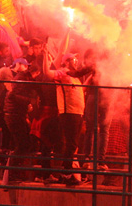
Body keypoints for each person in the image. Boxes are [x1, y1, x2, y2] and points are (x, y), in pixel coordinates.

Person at [42, 39, 86, 186]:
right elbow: (47, 73)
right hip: (69, 113)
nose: (76, 61)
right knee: (71, 144)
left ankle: (69, 173)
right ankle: (66, 173)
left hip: (77, 112)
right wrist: (44, 57)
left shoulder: (74, 77)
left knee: (74, 144)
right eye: (73, 59)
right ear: (67, 62)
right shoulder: (64, 72)